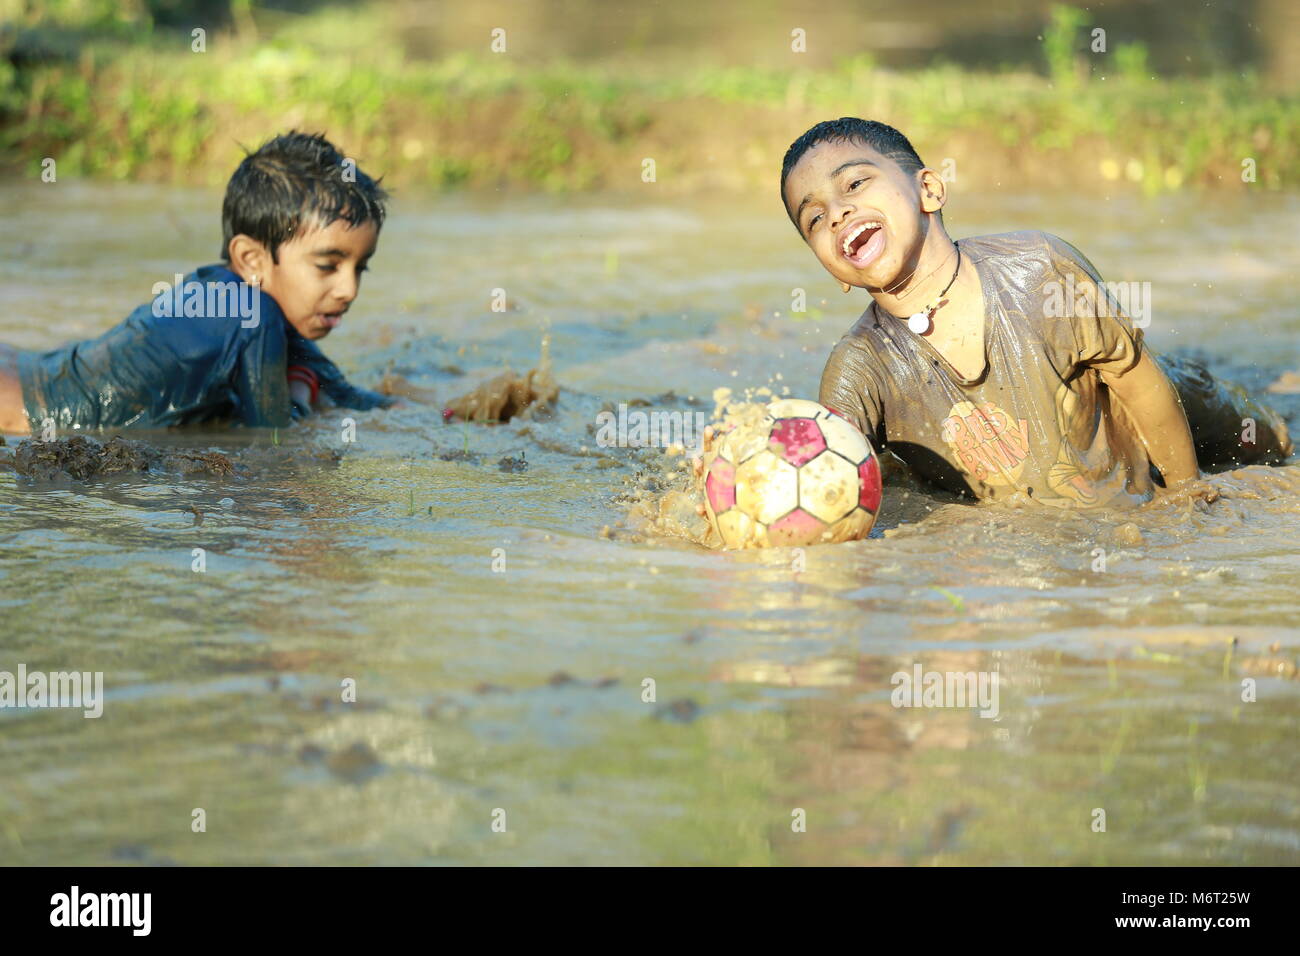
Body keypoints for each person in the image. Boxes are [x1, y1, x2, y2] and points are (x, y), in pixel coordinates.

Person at [778, 117, 1290, 507]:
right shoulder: (858, 369)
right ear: (833, 270)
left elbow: (1136, 380)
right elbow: (825, 472)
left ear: (928, 190)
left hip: (1146, 406)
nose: (838, 212)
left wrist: (1184, 493)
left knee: (1265, 440)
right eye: (815, 217)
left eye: (854, 185)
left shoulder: (1041, 270)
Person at [0, 131, 394, 437]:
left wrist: (440, 410)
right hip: (25, 412)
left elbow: (348, 396)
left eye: (361, 268)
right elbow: (276, 443)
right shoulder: (253, 316)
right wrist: (301, 391)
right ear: (252, 259)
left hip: (26, 370)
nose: (349, 290)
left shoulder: (245, 302)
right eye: (328, 266)